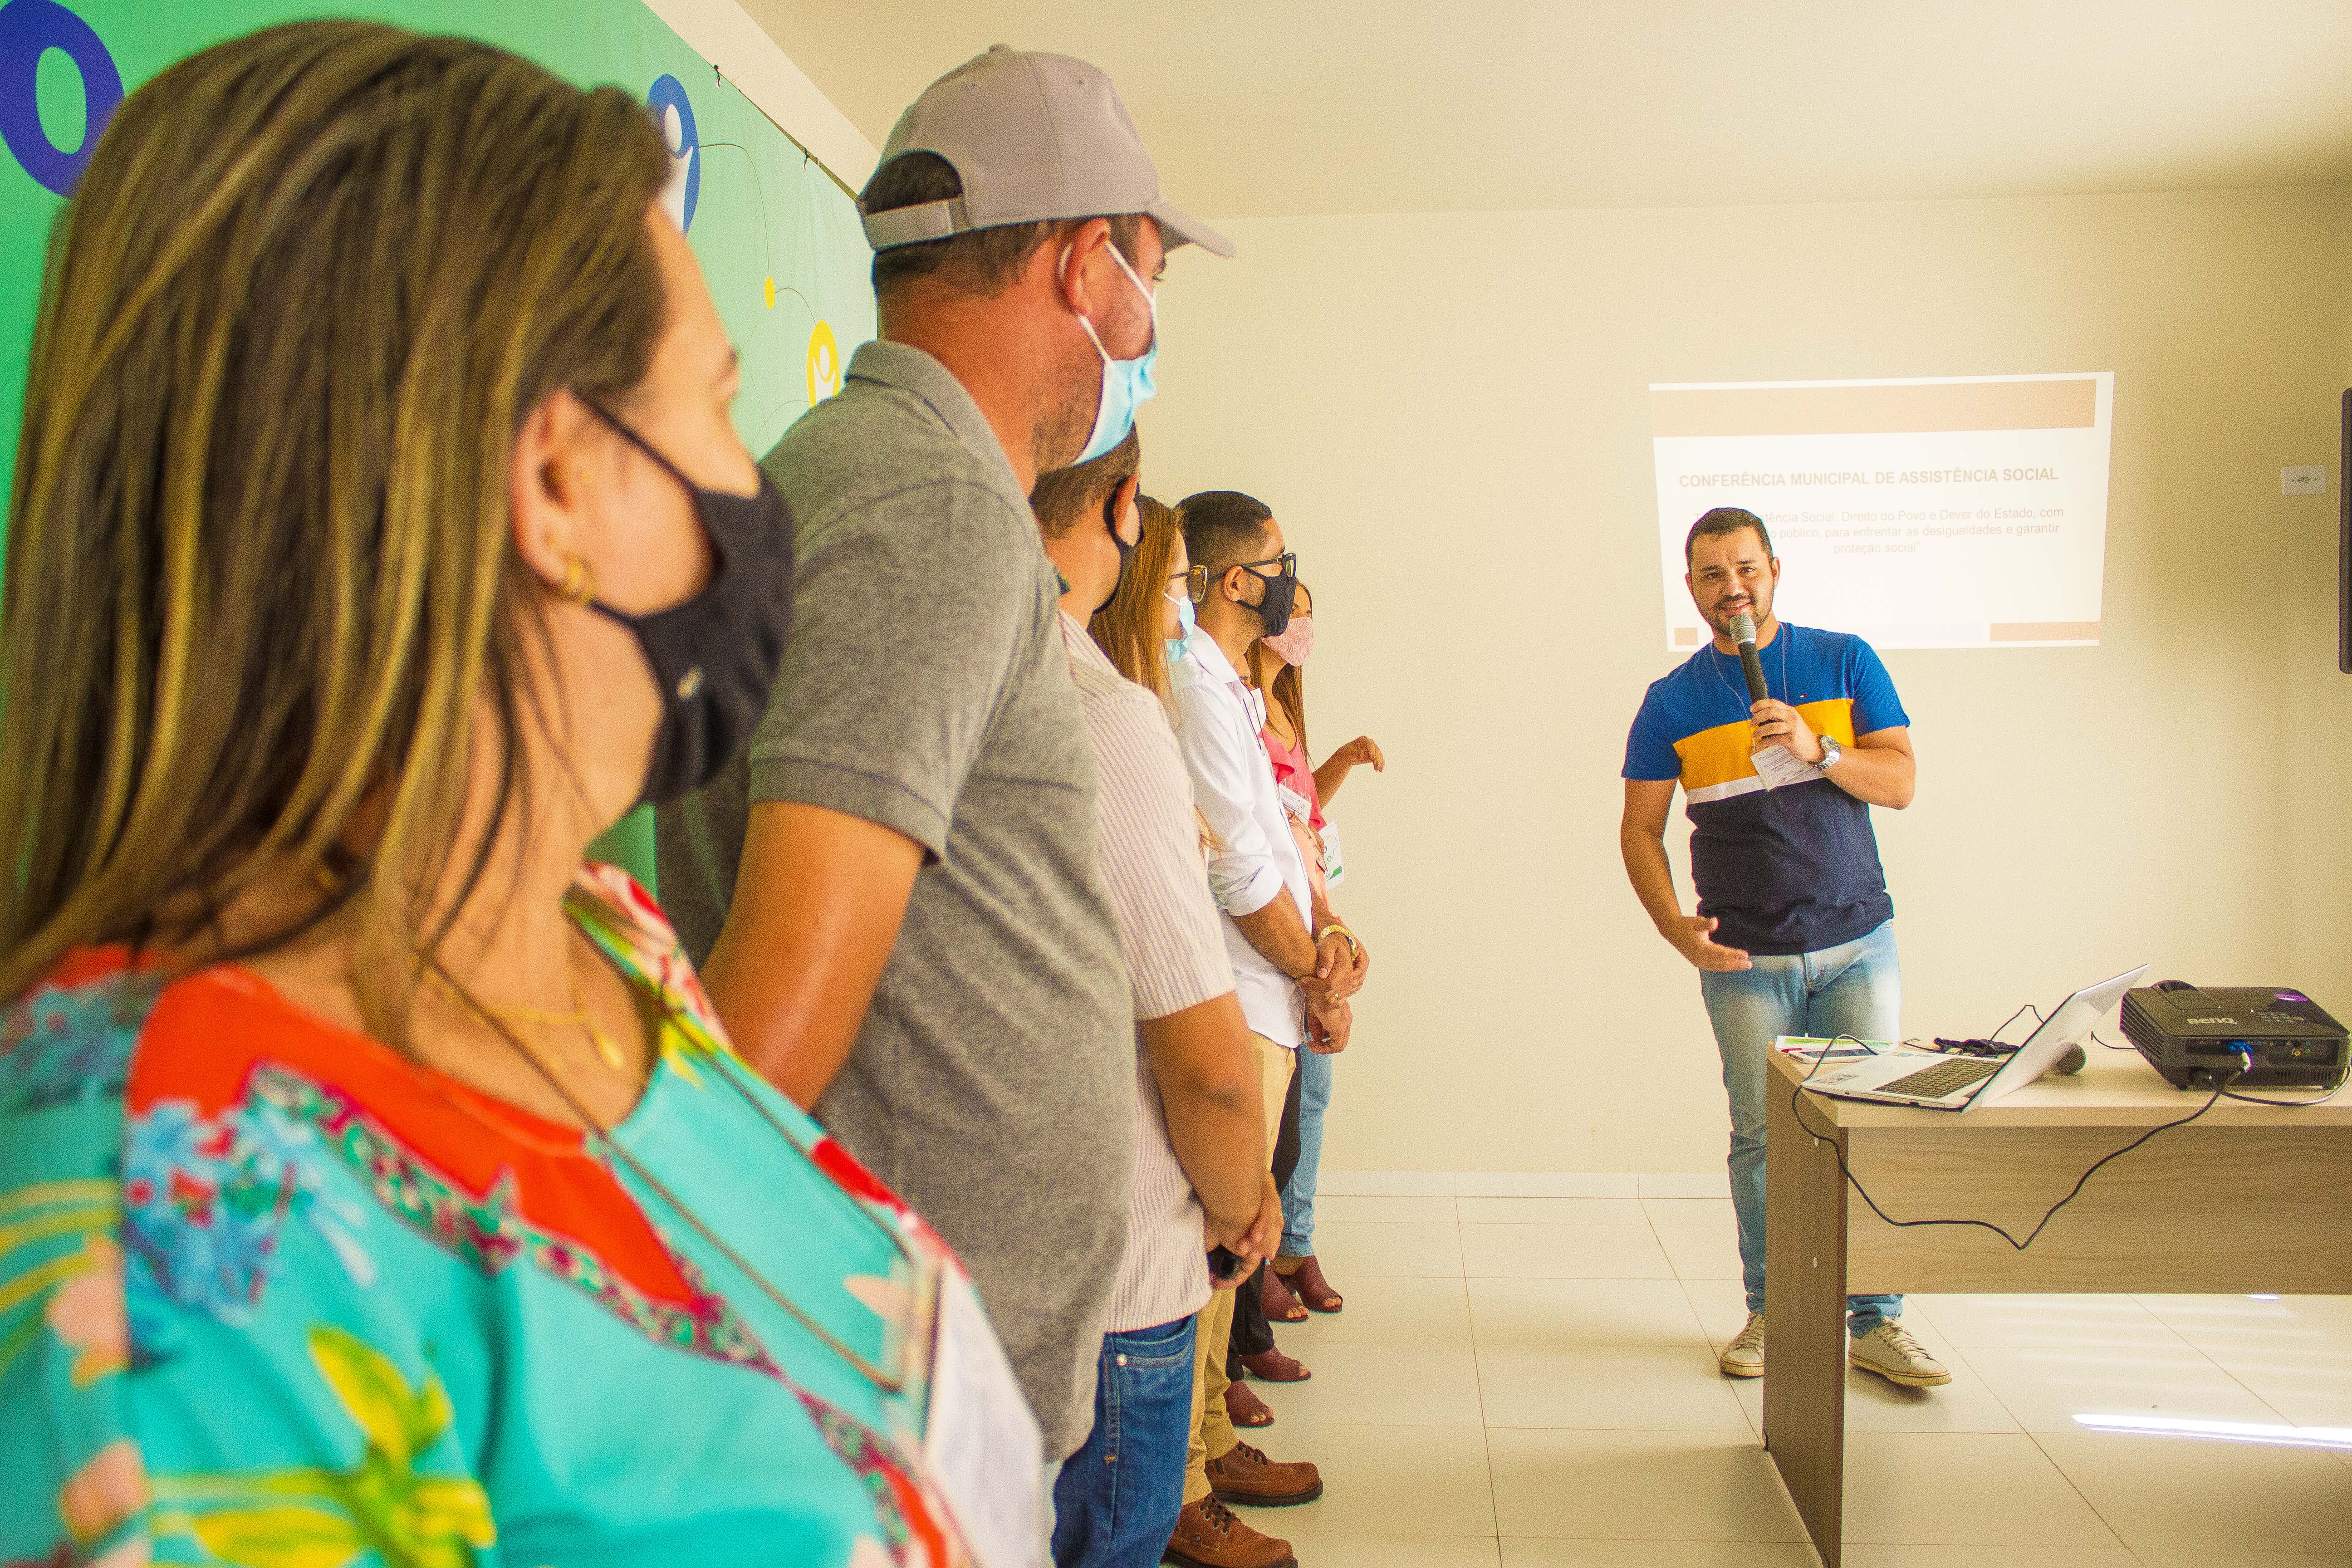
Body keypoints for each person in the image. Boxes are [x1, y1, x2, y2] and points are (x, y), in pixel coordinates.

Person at [0, 23, 992, 1566]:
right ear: (555, 484)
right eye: (716, 403)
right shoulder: (180, 1251)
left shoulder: (601, 938)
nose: (754, 485)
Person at [654, 46, 1234, 1471]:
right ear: (1086, 265)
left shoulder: (864, 468)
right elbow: (774, 1013)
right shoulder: (931, 505)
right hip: (902, 1408)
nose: (1149, 328)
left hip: (915, 1377)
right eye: (1151, 276)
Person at [1029, 432, 1295, 1568]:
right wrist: (1245, 1206)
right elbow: (1208, 1069)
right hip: (1119, 1270)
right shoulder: (1103, 710)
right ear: (1124, 508)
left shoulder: (926, 672)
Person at [1618, 506, 1947, 1390]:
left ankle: (1877, 1322)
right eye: (1713, 574)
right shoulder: (1672, 701)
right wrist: (1672, 926)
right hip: (1745, 961)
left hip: (1857, 946)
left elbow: (1902, 783)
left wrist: (1820, 747)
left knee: (1868, 1130)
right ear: (1692, 589)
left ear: (1774, 571)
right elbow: (1640, 829)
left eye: (1747, 569)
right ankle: (1772, 1312)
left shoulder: (1844, 660)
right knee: (1762, 1138)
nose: (1733, 588)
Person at [1165, 490, 1367, 1558]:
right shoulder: (1197, 685)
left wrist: (1326, 942)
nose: (1294, 582)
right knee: (1219, 1246)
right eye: (1282, 563)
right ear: (1241, 580)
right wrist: (1311, 972)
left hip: (1271, 990)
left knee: (1234, 1250)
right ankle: (1185, 1487)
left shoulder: (1236, 685)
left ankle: (1209, 1443)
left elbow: (1286, 841)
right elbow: (1239, 871)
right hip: (1237, 994)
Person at [1241, 583, 1384, 1323]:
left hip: (1314, 917)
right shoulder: (1232, 707)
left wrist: (1339, 762)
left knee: (1311, 1099)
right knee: (1277, 1117)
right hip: (1278, 931)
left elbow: (1305, 814)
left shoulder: (1282, 711)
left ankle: (1296, 1244)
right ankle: (1264, 1261)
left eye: (1307, 609)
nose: (1302, 623)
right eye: (1291, 607)